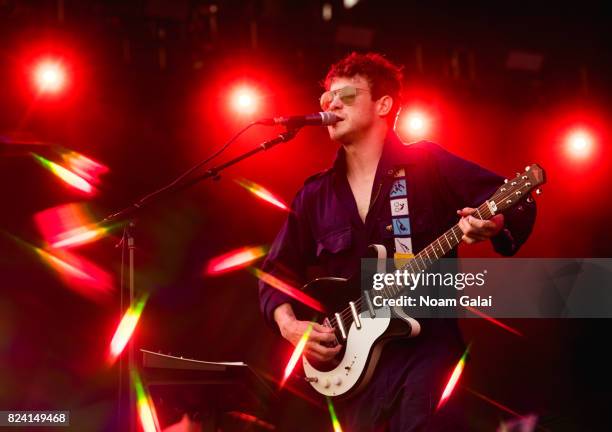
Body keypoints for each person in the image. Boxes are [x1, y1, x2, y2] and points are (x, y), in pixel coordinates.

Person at [258, 52, 536, 431]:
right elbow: (275, 271)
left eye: (347, 96)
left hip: (425, 357)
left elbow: (514, 200)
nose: (332, 104)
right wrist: (292, 326)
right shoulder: (315, 195)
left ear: (383, 104)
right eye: (326, 99)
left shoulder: (428, 165)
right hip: (352, 376)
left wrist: (493, 222)